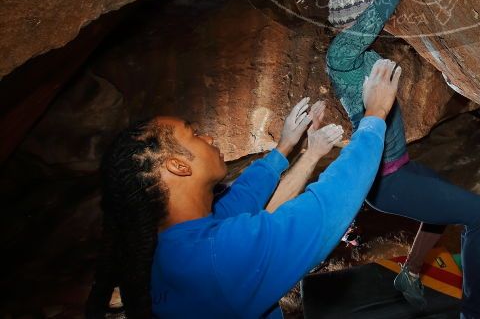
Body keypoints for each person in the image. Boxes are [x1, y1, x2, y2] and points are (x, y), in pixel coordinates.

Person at [85, 59, 403, 318]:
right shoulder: (216, 257)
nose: (207, 137)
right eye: (193, 133)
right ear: (178, 166)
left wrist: (285, 148)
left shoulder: (168, 247)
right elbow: (327, 206)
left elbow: (241, 201)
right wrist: (375, 115)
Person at [325, 0, 480, 318]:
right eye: (365, 18)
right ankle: (477, 315)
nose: (376, 25)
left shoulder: (356, 53)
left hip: (398, 168)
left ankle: (409, 273)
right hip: (386, 181)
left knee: (442, 211)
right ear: (352, 23)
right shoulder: (342, 54)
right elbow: (385, 3)